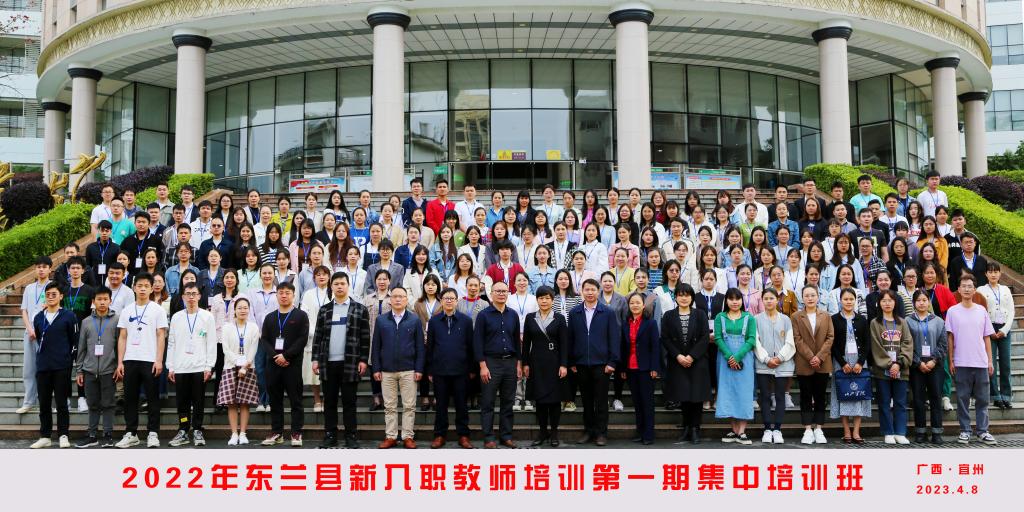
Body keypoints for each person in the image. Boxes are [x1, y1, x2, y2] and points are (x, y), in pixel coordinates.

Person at [311, 272, 370, 449]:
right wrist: (315, 359)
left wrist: (363, 359)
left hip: (350, 362)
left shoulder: (360, 309)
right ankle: (330, 435)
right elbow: (318, 336)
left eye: (342, 283)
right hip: (328, 363)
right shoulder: (325, 310)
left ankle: (351, 435)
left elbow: (365, 337)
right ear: (331, 286)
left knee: (349, 402)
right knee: (329, 402)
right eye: (336, 283)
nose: (339, 286)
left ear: (348, 285)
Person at [114, 273, 168, 448]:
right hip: (130, 359)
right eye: (140, 286)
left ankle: (153, 433)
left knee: (152, 398)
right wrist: (120, 362)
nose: (143, 289)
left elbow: (161, 336)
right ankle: (131, 433)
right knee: (130, 398)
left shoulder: (158, 310)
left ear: (152, 288)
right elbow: (122, 337)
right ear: (134, 288)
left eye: (146, 286)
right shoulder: (127, 310)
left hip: (150, 359)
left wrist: (159, 360)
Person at [946, 274, 998, 445]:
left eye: (970, 286)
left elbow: (987, 337)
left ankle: (983, 431)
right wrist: (951, 360)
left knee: (983, 400)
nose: (967, 289)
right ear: (958, 289)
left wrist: (990, 361)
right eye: (964, 286)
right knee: (962, 399)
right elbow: (950, 338)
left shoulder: (981, 310)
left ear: (975, 289)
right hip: (961, 362)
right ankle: (965, 431)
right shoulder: (952, 311)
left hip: (981, 362)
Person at [568, 279, 621, 446]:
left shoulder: (608, 312)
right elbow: (571, 338)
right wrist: (572, 361)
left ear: (598, 292)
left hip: (602, 364)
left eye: (593, 290)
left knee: (601, 401)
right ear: (582, 291)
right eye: (587, 289)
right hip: (581, 364)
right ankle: (589, 431)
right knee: (586, 400)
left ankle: (601, 433)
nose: (590, 293)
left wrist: (612, 362)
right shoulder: (575, 312)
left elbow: (614, 338)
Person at [166, 282, 218, 447]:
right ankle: (183, 429)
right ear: (182, 297)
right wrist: (171, 366)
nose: (191, 297)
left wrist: (209, 366)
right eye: (188, 294)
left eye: (194, 294)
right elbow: (171, 343)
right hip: (180, 366)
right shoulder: (176, 317)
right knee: (182, 402)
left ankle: (197, 429)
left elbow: (211, 343)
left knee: (198, 401)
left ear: (199, 296)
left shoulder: (207, 316)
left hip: (199, 366)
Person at [259, 282, 310, 447]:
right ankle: (277, 432)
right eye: (281, 292)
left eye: (287, 292)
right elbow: (264, 339)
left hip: (292, 364)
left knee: (296, 401)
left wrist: (286, 355)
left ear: (293, 295)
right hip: (273, 365)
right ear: (276, 295)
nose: (284, 295)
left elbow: (302, 339)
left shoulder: (301, 316)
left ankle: (296, 432)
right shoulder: (270, 317)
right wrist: (276, 356)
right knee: (275, 401)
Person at [27, 283, 77, 449]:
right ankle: (45, 436)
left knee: (62, 403)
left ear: (61, 296)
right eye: (47, 294)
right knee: (44, 404)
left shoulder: (69, 316)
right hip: (43, 366)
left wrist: (69, 361)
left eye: (54, 294)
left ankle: (63, 435)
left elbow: (74, 341)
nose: (50, 297)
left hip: (62, 366)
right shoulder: (38, 317)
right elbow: (39, 338)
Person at [474, 280, 522, 448]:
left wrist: (518, 364)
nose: (501, 294)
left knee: (508, 403)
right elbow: (477, 342)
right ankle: (488, 437)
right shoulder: (483, 315)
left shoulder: (513, 315)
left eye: (504, 291)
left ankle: (506, 436)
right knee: (488, 402)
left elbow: (516, 341)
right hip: (490, 363)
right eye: (498, 291)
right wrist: (482, 366)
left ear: (508, 293)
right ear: (491, 294)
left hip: (510, 363)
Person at [660, 283, 711, 443]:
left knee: (696, 396)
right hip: (678, 362)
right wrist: (678, 356)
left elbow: (704, 337)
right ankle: (686, 427)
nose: (684, 298)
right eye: (680, 295)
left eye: (687, 295)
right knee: (683, 396)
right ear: (675, 297)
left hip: (697, 361)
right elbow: (665, 338)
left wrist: (691, 356)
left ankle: (695, 428)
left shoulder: (700, 314)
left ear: (692, 297)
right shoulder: (668, 315)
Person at [425, 288, 475, 449]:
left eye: (452, 298)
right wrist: (430, 370)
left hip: (461, 370)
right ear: (441, 300)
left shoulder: (466, 321)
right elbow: (430, 347)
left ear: (456, 301)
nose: (448, 301)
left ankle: (463, 435)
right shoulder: (434, 321)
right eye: (445, 298)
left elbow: (471, 346)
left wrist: (472, 369)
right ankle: (439, 435)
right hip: (440, 370)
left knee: (462, 405)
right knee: (441, 405)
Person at [870, 289, 914, 444]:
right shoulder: (875, 323)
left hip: (901, 369)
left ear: (895, 303)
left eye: (890, 300)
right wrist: (890, 365)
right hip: (882, 370)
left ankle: (900, 432)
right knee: (884, 402)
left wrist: (899, 363)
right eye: (884, 300)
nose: (887, 303)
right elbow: (876, 346)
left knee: (900, 402)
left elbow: (908, 343)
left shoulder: (902, 322)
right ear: (879, 303)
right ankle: (888, 432)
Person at [712, 287, 756, 445]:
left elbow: (751, 339)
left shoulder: (749, 317)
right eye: (731, 299)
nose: (734, 302)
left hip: (745, 359)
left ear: (742, 301)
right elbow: (718, 338)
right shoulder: (720, 317)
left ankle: (742, 431)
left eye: (737, 299)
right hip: (725, 361)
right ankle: (734, 429)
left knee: (744, 393)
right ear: (726, 301)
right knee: (728, 392)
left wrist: (737, 357)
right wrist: (730, 357)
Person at [792, 285, 835, 445]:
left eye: (813, 295)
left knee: (820, 396)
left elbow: (830, 337)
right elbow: (797, 339)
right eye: (807, 295)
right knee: (805, 395)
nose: (810, 298)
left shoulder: (826, 315)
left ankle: (819, 428)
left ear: (818, 297)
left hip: (822, 362)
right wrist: (811, 356)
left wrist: (820, 357)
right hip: (804, 362)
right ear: (802, 298)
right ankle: (808, 429)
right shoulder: (796, 316)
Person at [829, 287, 871, 443]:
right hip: (841, 362)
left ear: (855, 301)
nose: (848, 302)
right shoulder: (833, 319)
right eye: (845, 299)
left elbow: (867, 343)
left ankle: (856, 432)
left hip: (859, 362)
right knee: (843, 394)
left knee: (859, 394)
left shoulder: (862, 319)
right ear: (840, 301)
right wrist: (842, 363)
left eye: (851, 299)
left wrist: (860, 362)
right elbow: (832, 344)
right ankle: (846, 431)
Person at [754, 288, 795, 444]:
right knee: (765, 396)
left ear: (777, 300)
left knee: (780, 396)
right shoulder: (756, 319)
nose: (769, 301)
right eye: (766, 298)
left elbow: (790, 342)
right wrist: (766, 359)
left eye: (772, 298)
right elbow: (755, 342)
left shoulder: (786, 319)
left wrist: (779, 358)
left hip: (783, 364)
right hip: (763, 364)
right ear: (762, 300)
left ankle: (777, 429)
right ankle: (767, 429)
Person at [217, 297, 259, 446]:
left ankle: (243, 433)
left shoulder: (253, 327)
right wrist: (237, 362)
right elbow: (225, 348)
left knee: (245, 403)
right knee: (232, 403)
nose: (243, 310)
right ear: (234, 310)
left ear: (249, 310)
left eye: (245, 308)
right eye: (239, 308)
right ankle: (234, 433)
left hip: (248, 367)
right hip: (230, 366)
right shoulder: (227, 327)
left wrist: (244, 366)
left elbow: (253, 348)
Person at [620, 292, 661, 445]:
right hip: (630, 368)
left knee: (647, 402)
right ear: (628, 306)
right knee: (637, 402)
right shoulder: (626, 323)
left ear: (644, 305)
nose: (635, 305)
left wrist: (654, 367)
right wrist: (623, 369)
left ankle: (648, 434)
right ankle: (640, 431)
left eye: (638, 303)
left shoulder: (650, 323)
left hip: (645, 368)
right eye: (632, 303)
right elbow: (623, 347)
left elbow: (655, 347)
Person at [907, 289, 947, 444]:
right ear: (914, 303)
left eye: (924, 300)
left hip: (935, 365)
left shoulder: (938, 321)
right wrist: (918, 362)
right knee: (918, 399)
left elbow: (943, 344)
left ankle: (937, 432)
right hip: (916, 366)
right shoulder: (908, 321)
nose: (921, 303)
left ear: (929, 302)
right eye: (918, 300)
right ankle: (920, 432)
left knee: (936, 398)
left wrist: (933, 360)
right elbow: (906, 345)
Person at [16, 257, 51, 416]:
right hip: (30, 333)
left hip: (47, 333)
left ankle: (49, 402)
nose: (41, 269)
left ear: (50, 269)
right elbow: (24, 310)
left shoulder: (53, 287)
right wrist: (29, 328)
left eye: (44, 267)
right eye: (38, 267)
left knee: (48, 369)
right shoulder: (29, 288)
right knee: (29, 369)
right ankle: (28, 402)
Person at [977, 263, 1014, 410]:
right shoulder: (980, 290)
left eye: (996, 272)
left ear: (1000, 274)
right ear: (986, 274)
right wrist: (989, 330)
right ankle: (995, 396)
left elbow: (1012, 311)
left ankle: (1006, 395)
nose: (993, 274)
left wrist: (1005, 330)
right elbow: (980, 312)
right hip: (989, 329)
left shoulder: (1005, 290)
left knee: (1006, 364)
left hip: (1004, 329)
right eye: (990, 272)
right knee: (990, 364)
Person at [300, 266, 331, 412]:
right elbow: (304, 314)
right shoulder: (308, 294)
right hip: (313, 337)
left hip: (332, 336)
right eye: (318, 275)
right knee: (314, 372)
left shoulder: (333, 292)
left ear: (329, 277)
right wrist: (315, 331)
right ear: (314, 278)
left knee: (329, 371)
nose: (321, 277)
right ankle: (317, 400)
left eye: (324, 274)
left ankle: (328, 399)